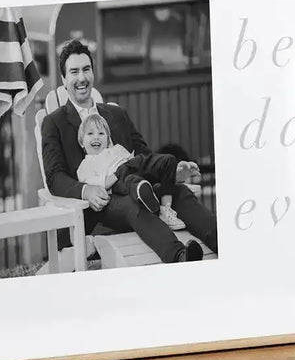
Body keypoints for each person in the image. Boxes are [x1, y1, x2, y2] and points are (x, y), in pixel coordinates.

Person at [42, 39, 219, 264]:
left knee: (179, 191)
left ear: (93, 73)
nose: (81, 78)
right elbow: (54, 177)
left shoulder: (116, 115)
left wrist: (172, 172)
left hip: (138, 186)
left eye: (86, 69)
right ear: (64, 79)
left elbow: (144, 154)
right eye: (74, 71)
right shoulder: (54, 123)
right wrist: (87, 190)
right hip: (98, 204)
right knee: (133, 203)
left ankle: (224, 244)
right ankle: (179, 256)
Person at [76, 113, 185, 230]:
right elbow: (101, 186)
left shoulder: (117, 149)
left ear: (108, 140)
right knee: (134, 182)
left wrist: (135, 163)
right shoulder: (85, 165)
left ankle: (166, 207)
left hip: (134, 165)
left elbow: (134, 161)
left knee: (168, 160)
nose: (96, 137)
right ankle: (152, 203)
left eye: (101, 133)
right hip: (118, 180)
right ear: (82, 142)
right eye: (90, 133)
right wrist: (119, 172)